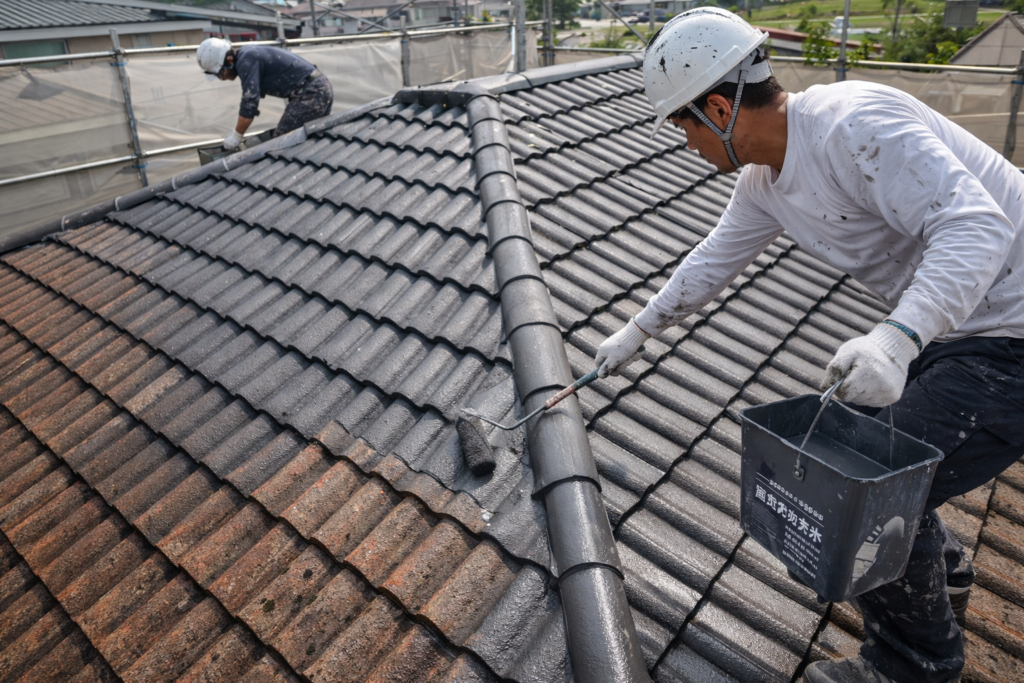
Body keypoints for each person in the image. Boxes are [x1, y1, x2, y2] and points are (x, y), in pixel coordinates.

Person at [595, 7, 1024, 683]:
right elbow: (712, 259)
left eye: (684, 124)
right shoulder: (764, 182)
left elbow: (977, 228)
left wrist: (897, 338)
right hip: (964, 327)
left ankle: (914, 664)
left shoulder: (855, 126)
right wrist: (638, 329)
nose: (685, 143)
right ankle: (942, 570)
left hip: (1014, 334)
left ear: (718, 107)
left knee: (867, 490)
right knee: (892, 447)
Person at [196, 37, 333, 150]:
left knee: (282, 144)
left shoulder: (246, 61)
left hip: (311, 92)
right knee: (310, 138)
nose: (223, 78)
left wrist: (236, 137)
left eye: (221, 73)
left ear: (229, 61)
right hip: (317, 87)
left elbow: (249, 104)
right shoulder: (246, 55)